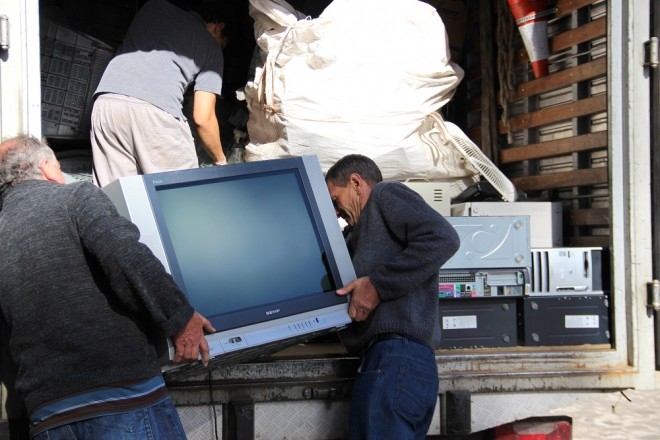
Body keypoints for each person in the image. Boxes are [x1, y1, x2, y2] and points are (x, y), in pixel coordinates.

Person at [0, 134, 215, 439]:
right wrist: (180, 317)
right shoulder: (75, 198)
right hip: (122, 401)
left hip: (47, 418)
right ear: (47, 167)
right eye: (60, 169)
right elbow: (126, 256)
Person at [325, 154, 460, 440]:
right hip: (392, 362)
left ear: (356, 183)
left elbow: (444, 237)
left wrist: (376, 286)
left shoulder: (386, 195)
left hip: (397, 358)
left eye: (335, 201)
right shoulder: (354, 234)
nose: (335, 212)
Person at [90, 0, 228, 187]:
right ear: (219, 28)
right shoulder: (211, 47)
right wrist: (221, 161)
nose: (220, 47)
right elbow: (203, 119)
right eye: (223, 43)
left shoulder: (152, 7)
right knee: (184, 196)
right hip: (154, 116)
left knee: (117, 197)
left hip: (107, 102)